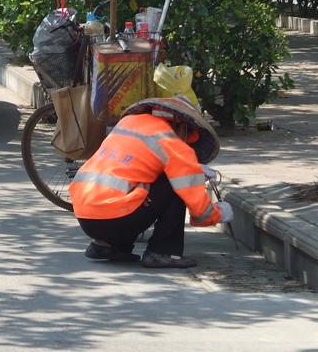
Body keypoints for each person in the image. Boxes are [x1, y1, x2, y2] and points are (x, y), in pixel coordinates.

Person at [69, 96, 233, 269]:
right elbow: (195, 201)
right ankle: (161, 251)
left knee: (142, 188)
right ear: (182, 125)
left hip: (85, 217)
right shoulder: (169, 140)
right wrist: (218, 213)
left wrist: (192, 167)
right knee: (175, 185)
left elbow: (137, 165)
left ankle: (106, 247)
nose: (186, 141)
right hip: (115, 219)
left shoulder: (128, 123)